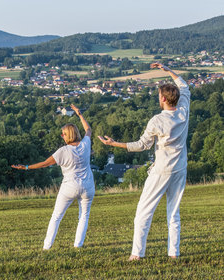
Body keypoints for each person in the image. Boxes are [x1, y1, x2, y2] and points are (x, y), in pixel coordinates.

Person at [98, 63, 191, 260]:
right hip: (180, 168)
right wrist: (168, 70)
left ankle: (137, 254)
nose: (158, 98)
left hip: (162, 170)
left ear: (164, 99)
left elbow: (142, 145)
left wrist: (115, 144)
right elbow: (184, 86)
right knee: (173, 213)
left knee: (143, 213)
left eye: (159, 96)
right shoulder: (184, 109)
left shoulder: (157, 120)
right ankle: (173, 253)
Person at [12, 104, 95, 250]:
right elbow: (88, 129)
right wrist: (79, 114)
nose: (61, 136)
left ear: (67, 135)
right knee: (84, 216)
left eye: (63, 134)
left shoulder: (63, 151)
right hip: (88, 186)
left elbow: (44, 164)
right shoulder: (85, 144)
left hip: (69, 186)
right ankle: (78, 245)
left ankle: (47, 246)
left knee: (56, 217)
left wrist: (25, 167)